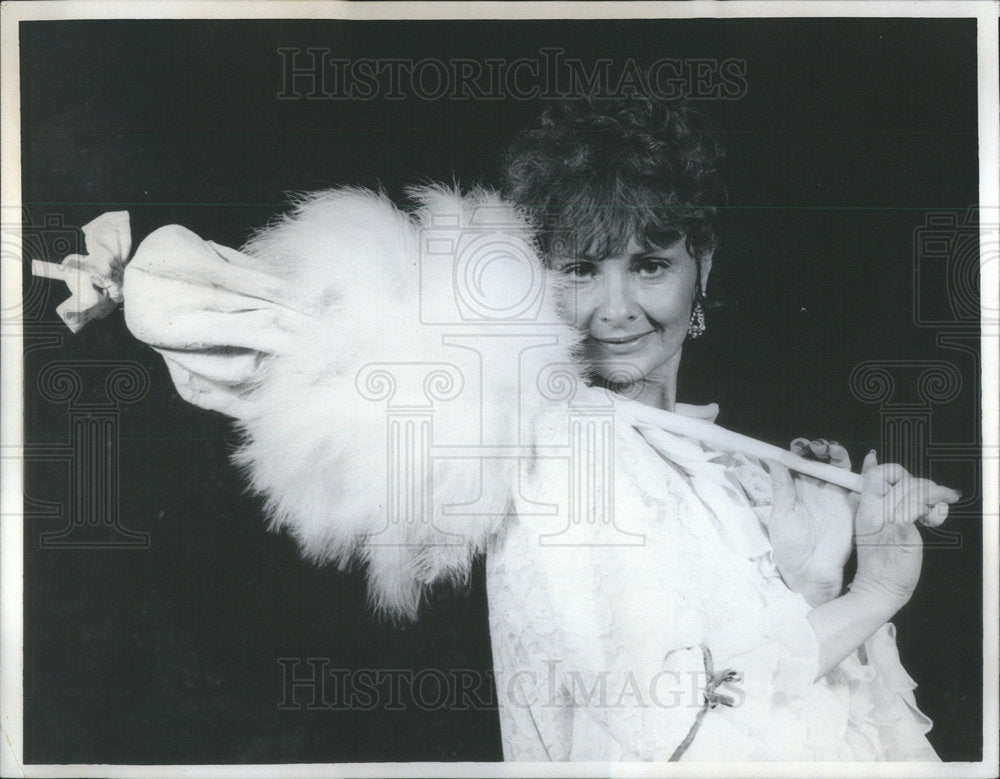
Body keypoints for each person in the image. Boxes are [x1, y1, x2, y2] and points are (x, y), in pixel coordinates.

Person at [38, 95, 959, 762]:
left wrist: (808, 565)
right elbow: (677, 726)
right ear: (532, 283)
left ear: (701, 267)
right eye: (580, 268)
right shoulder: (564, 462)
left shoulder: (691, 457)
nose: (616, 309)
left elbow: (772, 688)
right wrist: (874, 593)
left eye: (649, 265)